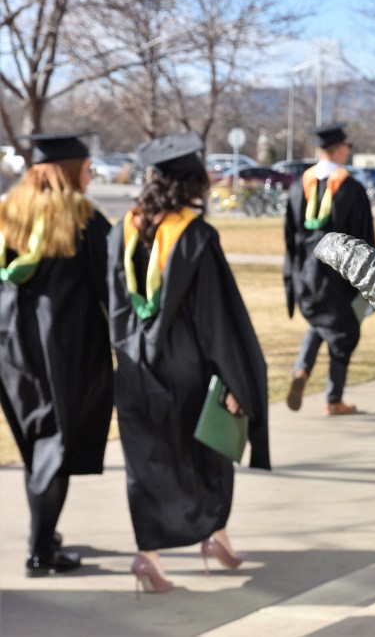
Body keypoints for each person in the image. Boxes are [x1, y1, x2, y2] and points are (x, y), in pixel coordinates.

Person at [108, 132, 269, 594]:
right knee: (210, 454)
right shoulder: (196, 236)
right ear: (193, 181)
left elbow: (115, 302)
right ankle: (213, 536)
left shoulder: (123, 229)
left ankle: (151, 557)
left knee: (148, 464)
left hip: (136, 367)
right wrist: (236, 378)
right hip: (188, 371)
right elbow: (216, 319)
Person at [0, 132, 113, 577]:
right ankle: (40, 550)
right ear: (70, 170)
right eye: (87, 168)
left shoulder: (9, 210)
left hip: (10, 345)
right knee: (55, 446)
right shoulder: (82, 217)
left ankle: (44, 530)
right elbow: (109, 287)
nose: (90, 175)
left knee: (35, 442)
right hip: (63, 350)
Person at [284, 123, 375, 415]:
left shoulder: (300, 185)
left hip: (307, 274)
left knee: (319, 324)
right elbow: (363, 239)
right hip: (339, 276)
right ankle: (333, 399)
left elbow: (289, 237)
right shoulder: (351, 188)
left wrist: (293, 276)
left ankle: (302, 369)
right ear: (338, 149)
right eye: (347, 146)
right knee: (344, 333)